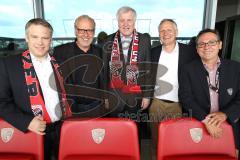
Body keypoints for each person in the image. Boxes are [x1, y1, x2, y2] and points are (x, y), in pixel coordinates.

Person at [0, 18, 71, 160]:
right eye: (35, 37)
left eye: (45, 37)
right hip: (31, 132)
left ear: (50, 40)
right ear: (26, 37)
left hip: (63, 129)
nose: (40, 42)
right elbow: (1, 101)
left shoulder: (62, 63)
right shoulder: (8, 64)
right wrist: (26, 122)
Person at [179, 28, 240, 153]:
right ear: (197, 49)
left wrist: (225, 114)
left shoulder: (236, 68)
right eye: (201, 44)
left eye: (211, 42)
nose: (206, 47)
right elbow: (186, 97)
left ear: (220, 45)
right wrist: (206, 120)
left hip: (230, 125)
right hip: (198, 123)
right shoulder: (187, 69)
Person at [149, 19, 198, 156]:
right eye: (162, 31)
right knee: (155, 139)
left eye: (169, 30)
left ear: (176, 32)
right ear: (159, 34)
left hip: (178, 104)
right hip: (156, 104)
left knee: (174, 140)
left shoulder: (189, 52)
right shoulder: (153, 52)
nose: (166, 33)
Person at [102, 6, 151, 120]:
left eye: (129, 20)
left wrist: (147, 96)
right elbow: (104, 72)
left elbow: (148, 69)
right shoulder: (108, 40)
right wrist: (105, 97)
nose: (125, 24)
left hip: (136, 98)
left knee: (134, 132)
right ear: (118, 22)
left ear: (134, 22)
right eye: (122, 20)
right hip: (114, 97)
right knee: (115, 133)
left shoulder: (144, 40)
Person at [53, 15, 105, 117]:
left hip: (98, 108)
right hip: (70, 110)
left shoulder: (102, 52)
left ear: (94, 32)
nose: (86, 34)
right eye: (82, 30)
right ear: (76, 31)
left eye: (90, 30)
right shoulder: (60, 52)